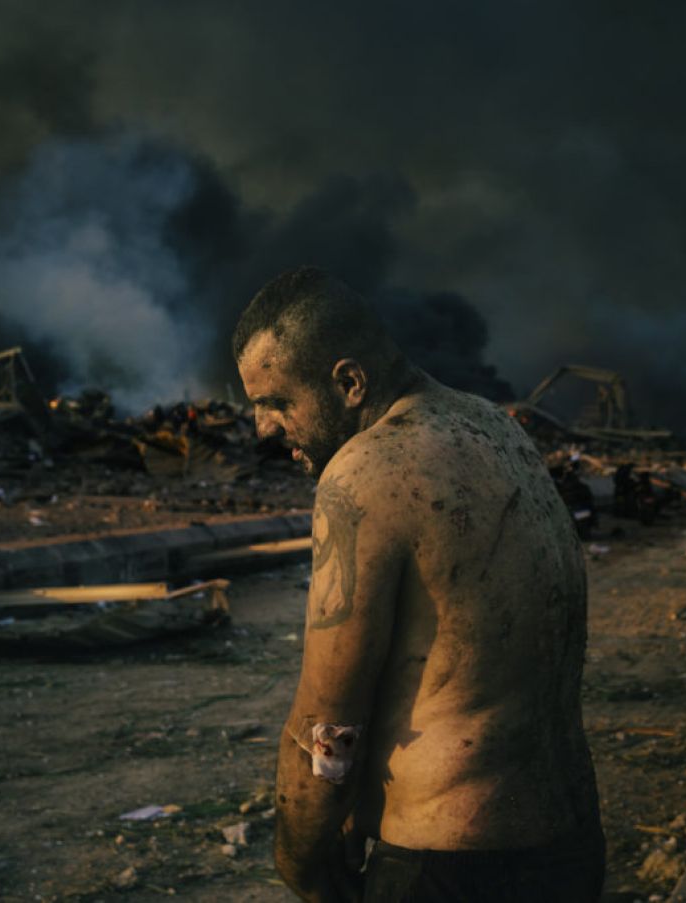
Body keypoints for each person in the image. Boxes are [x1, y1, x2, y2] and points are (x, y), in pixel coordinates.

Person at [233, 267, 604, 902]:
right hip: (568, 845)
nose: (263, 428)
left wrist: (302, 866)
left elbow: (329, 722)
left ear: (350, 382)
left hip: (454, 870)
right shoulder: (497, 429)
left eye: (278, 402)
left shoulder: (363, 471)